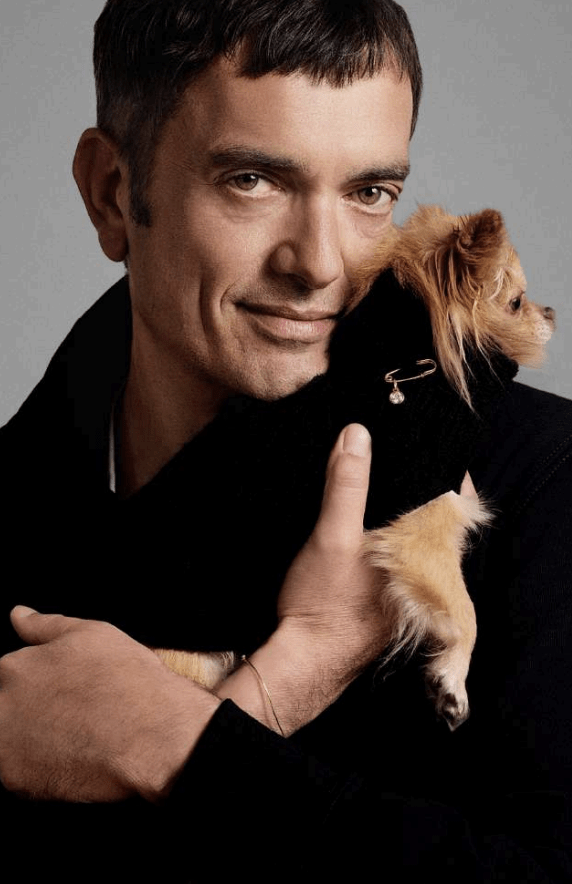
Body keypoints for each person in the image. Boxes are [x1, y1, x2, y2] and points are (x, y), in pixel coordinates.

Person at [0, 1, 571, 881]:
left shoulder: (543, 479)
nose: (320, 264)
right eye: (252, 181)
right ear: (113, 193)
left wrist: (182, 742)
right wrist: (287, 681)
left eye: (369, 194)